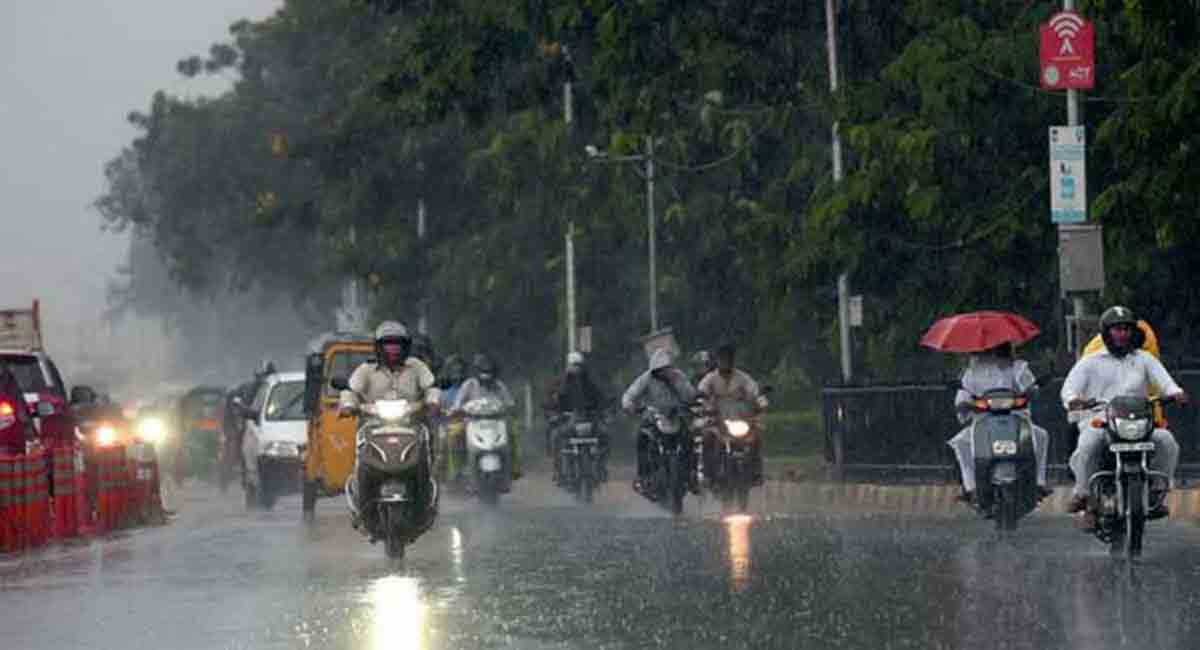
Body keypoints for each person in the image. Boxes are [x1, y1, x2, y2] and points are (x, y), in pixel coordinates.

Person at [1062, 306, 1188, 518]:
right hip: (1101, 422)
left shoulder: (1144, 359)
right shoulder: (1090, 361)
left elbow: (1166, 383)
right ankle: (1083, 493)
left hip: (1138, 423)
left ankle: (1157, 492)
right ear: (1106, 333)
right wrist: (1074, 400)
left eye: (1126, 329)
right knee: (1086, 445)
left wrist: (1176, 393)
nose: (1122, 334)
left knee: (1167, 441)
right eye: (1117, 329)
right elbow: (1069, 389)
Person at [339, 321, 441, 522]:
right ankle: (362, 501)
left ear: (405, 347)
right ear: (379, 347)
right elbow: (350, 390)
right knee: (361, 451)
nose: (393, 348)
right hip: (373, 424)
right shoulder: (366, 370)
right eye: (388, 344)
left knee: (426, 443)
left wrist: (432, 400)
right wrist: (348, 405)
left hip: (411, 423)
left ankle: (425, 498)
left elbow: (431, 386)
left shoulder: (417, 367)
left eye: (397, 344)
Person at [947, 342, 1052, 504]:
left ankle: (1039, 482)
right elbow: (962, 399)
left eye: (1000, 346)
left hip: (1017, 418)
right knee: (961, 442)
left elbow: (1031, 388)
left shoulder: (1019, 368)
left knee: (1040, 435)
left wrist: (1031, 391)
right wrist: (965, 405)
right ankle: (970, 487)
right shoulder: (971, 373)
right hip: (982, 421)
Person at [622, 348, 698, 493]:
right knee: (642, 438)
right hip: (653, 417)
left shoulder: (678, 377)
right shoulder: (645, 379)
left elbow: (690, 395)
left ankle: (691, 475)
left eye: (666, 369)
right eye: (660, 369)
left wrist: (680, 386)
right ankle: (643, 476)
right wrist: (631, 406)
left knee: (689, 439)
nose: (663, 372)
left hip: (676, 416)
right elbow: (630, 395)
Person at [697, 342, 768, 486]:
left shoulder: (743, 378)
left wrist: (761, 402)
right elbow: (701, 392)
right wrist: (701, 403)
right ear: (717, 360)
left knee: (756, 438)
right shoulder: (710, 379)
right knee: (707, 437)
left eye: (728, 358)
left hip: (741, 419)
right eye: (722, 358)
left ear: (733, 360)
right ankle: (708, 473)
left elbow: (755, 391)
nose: (725, 362)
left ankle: (756, 472)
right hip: (717, 421)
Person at [452, 353, 520, 478]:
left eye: (489, 371)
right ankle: (457, 468)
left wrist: (511, 409)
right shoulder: (469, 385)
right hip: (471, 422)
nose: (486, 375)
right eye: (483, 371)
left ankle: (514, 467)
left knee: (513, 432)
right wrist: (456, 410)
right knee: (454, 434)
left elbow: (509, 403)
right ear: (477, 372)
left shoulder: (499, 386)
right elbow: (458, 403)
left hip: (496, 422)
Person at [545, 351, 607, 482]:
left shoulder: (590, 382)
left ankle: (601, 468)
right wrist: (553, 413)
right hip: (568, 421)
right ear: (568, 366)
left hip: (590, 421)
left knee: (606, 435)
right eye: (574, 365)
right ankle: (558, 471)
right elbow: (551, 401)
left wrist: (604, 412)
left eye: (579, 365)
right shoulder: (559, 383)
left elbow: (601, 398)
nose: (576, 368)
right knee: (555, 436)